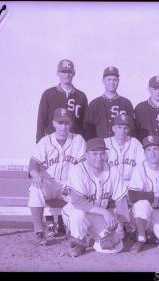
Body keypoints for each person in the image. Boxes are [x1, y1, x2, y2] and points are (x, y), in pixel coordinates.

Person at [28, 108, 86, 246]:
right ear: (54, 123)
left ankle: (73, 231)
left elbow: (83, 166)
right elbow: (33, 162)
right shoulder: (45, 141)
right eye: (60, 123)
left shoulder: (78, 140)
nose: (63, 127)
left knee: (80, 196)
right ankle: (38, 231)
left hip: (68, 184)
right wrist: (35, 174)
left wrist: (75, 185)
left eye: (66, 123)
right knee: (35, 189)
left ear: (71, 124)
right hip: (48, 182)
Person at [62, 138, 129, 257]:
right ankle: (78, 241)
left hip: (98, 214)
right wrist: (104, 212)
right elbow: (78, 202)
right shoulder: (78, 170)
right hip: (74, 210)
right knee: (78, 216)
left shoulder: (113, 170)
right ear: (86, 155)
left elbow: (121, 199)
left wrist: (120, 225)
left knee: (114, 247)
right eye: (94, 154)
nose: (99, 157)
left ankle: (92, 240)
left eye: (102, 153)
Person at [104, 114, 145, 237]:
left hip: (130, 182)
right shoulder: (105, 143)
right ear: (113, 128)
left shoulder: (135, 143)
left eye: (125, 127)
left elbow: (141, 167)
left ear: (128, 129)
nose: (122, 130)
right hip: (110, 183)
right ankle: (122, 224)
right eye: (119, 127)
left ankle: (124, 223)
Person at [36, 59, 88, 144]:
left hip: (75, 142)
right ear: (58, 73)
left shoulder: (81, 96)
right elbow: (41, 121)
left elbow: (85, 123)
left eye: (69, 72)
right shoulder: (48, 94)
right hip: (53, 142)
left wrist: (86, 144)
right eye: (63, 72)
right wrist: (39, 142)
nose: (66, 75)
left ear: (74, 73)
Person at [84, 66, 134, 140]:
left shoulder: (126, 103)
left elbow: (131, 128)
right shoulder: (94, 104)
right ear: (103, 81)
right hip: (100, 146)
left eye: (115, 80)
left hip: (121, 145)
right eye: (109, 80)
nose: (112, 82)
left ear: (118, 81)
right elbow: (88, 130)